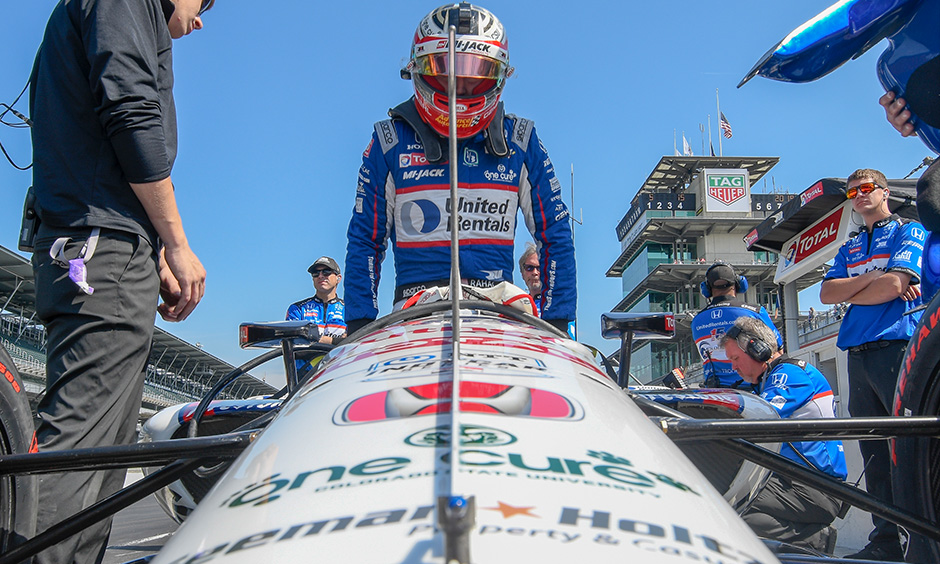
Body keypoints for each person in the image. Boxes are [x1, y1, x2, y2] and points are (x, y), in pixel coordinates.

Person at [27, 0, 211, 561]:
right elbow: (131, 111)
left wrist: (152, 253)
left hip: (101, 243)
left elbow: (95, 150)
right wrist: (176, 243)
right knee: (79, 450)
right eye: (204, 2)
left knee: (102, 454)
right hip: (96, 251)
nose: (201, 19)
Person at [344, 2, 576, 336]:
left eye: (474, 77)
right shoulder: (388, 141)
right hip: (414, 312)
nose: (460, 88)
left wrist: (556, 322)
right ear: (418, 70)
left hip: (500, 311)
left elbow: (555, 232)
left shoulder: (521, 140)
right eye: (445, 73)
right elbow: (365, 238)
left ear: (499, 76)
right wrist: (360, 325)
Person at [819, 168, 925, 561]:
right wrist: (877, 277)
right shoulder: (849, 247)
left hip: (897, 348)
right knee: (875, 455)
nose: (859, 195)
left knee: (910, 450)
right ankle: (885, 541)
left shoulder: (908, 229)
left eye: (866, 189)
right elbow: (828, 292)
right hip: (858, 356)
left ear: (884, 193)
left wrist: (864, 285)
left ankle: (922, 538)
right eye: (852, 192)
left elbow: (896, 286)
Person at [721, 317, 847, 552]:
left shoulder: (789, 374)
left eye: (735, 359)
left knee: (724, 503)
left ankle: (814, 540)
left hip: (816, 488)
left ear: (757, 350)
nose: (733, 368)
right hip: (794, 482)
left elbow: (758, 416)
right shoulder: (771, 379)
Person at [690, 261, 782, 390]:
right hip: (754, 390)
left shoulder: (696, 321)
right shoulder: (754, 311)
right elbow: (778, 349)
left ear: (707, 289)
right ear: (739, 284)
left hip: (716, 393)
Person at [287, 257, 347, 345]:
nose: (320, 276)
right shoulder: (297, 309)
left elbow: (354, 342)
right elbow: (294, 343)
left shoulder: (349, 310)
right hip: (307, 359)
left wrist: (311, 338)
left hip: (339, 359)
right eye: (316, 273)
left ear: (338, 278)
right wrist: (336, 341)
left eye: (326, 272)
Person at [518, 242, 542, 314]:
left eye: (539, 268)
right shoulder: (518, 306)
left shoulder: (558, 303)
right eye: (529, 268)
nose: (534, 272)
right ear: (522, 274)